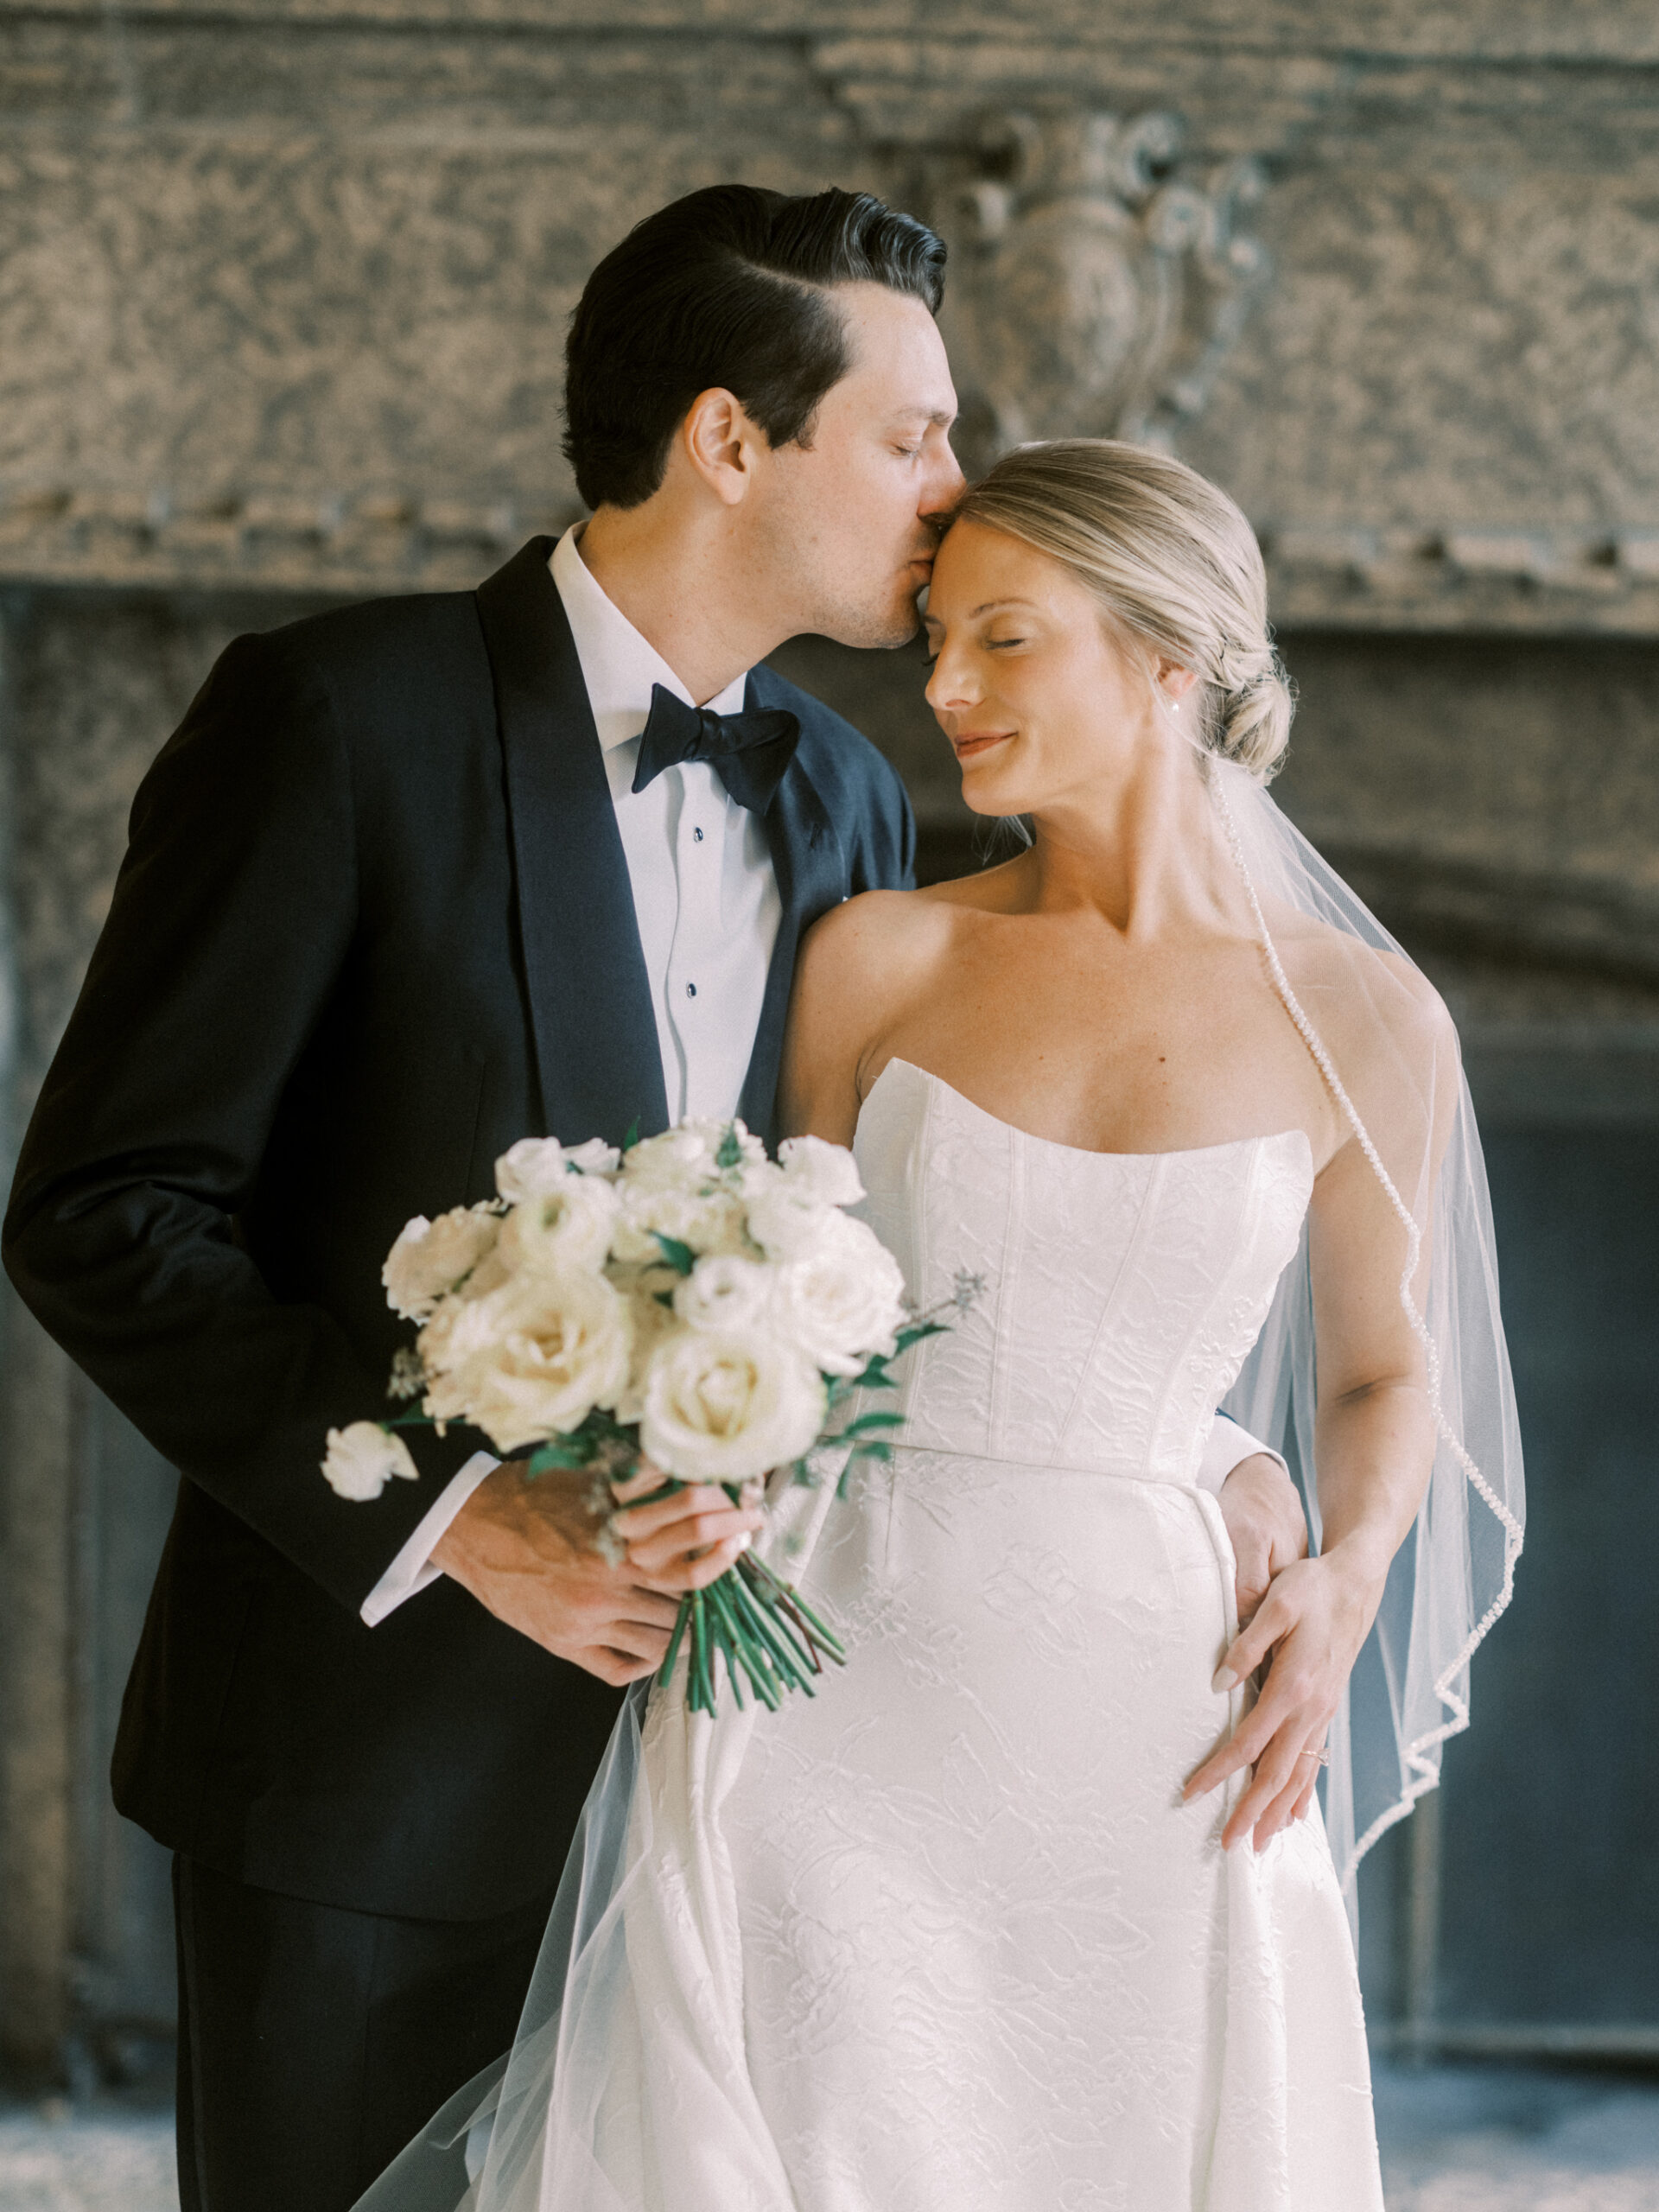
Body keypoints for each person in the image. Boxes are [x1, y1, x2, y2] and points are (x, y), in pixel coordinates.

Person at [0, 194, 1300, 2211]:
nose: (953, 498)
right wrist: (461, 1521)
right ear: (728, 439)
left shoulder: (858, 801)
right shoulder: (339, 719)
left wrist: (1214, 1450)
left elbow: (922, 1263)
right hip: (370, 1775)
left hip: (759, 1804)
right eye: (912, 435)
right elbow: (105, 1206)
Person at [363, 438, 1521, 2212]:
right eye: (936, 648)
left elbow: (1382, 1371)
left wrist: (1344, 1569)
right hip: (834, 1661)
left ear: (1166, 658)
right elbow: (785, 1306)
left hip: (1156, 1700)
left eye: (1004, 641)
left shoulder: (1370, 1022)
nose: (946, 690)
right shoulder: (881, 955)